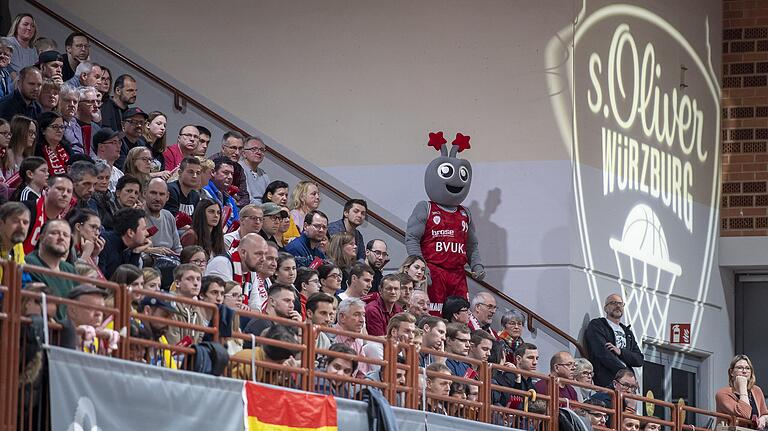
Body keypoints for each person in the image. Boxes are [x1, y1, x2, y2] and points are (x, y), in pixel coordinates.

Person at [585, 293, 644, 387]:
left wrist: (621, 352)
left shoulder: (627, 332)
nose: (618, 306)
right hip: (607, 380)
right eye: (613, 303)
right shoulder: (598, 325)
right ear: (605, 308)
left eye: (620, 304)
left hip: (627, 384)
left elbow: (639, 360)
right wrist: (624, 372)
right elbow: (601, 352)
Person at [24, 219, 77, 318]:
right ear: (41, 237)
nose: (61, 238)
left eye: (66, 235)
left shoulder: (70, 269)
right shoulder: (29, 263)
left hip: (68, 329)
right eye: (55, 233)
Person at [22, 174, 74, 253]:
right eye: (60, 189)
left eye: (69, 191)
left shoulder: (63, 226)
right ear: (46, 190)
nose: (65, 194)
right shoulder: (26, 209)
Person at [716, 354, 768, 427]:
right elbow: (744, 413)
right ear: (731, 372)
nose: (744, 371)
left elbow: (765, 414)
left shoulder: (756, 390)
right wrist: (742, 387)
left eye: (747, 368)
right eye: (740, 368)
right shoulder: (722, 393)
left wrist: (764, 419)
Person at [98, 207, 150, 279]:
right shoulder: (102, 244)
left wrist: (136, 252)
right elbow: (100, 281)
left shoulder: (128, 248)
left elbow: (130, 281)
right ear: (130, 233)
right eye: (143, 229)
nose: (147, 233)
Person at [166, 263, 204, 345]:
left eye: (198, 279)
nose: (196, 283)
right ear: (177, 283)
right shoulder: (170, 307)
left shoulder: (197, 309)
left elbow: (201, 339)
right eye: (189, 279)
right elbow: (173, 343)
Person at [208, 131, 249, 206]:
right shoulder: (211, 163)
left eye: (240, 149)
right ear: (223, 148)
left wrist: (236, 203)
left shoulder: (239, 169)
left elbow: (245, 197)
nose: (237, 152)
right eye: (233, 148)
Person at [143, 178, 182, 256]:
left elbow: (178, 248)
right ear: (144, 194)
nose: (157, 198)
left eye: (162, 194)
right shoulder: (137, 216)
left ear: (167, 197)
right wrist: (152, 251)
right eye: (153, 193)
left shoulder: (169, 216)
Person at [202, 157, 239, 228]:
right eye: (226, 173)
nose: (230, 177)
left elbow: (236, 222)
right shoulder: (204, 192)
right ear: (213, 172)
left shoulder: (230, 199)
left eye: (232, 174)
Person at [35, 111, 73, 176]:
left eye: (62, 127)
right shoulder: (37, 150)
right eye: (55, 127)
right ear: (43, 130)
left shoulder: (66, 147)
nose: (60, 130)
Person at [262, 180, 300, 244]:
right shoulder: (262, 212)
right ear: (270, 195)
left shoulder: (287, 213)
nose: (285, 198)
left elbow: (296, 237)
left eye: (286, 195)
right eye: (281, 194)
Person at [65, 86, 100, 155]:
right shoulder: (70, 126)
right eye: (91, 102)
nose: (96, 105)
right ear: (79, 104)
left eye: (97, 101)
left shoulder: (97, 129)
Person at [331, 297, 366, 362]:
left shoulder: (358, 340)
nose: (362, 320)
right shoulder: (330, 337)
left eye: (363, 315)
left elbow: (363, 369)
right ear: (342, 317)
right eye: (356, 315)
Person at [0, 202, 30, 277]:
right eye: (15, 221)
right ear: (1, 224)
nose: (21, 226)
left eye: (25, 222)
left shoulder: (18, 246)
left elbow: (24, 279)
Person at [240, 136, 270, 205]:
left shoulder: (264, 174)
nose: (258, 152)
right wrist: (265, 209)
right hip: (246, 209)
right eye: (254, 149)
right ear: (244, 153)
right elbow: (246, 198)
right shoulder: (239, 169)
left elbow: (270, 197)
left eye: (261, 150)